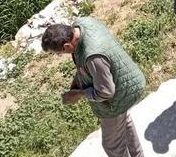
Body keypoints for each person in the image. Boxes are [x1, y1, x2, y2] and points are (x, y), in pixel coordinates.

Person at [42, 18, 146, 157]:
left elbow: (106, 92)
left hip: (117, 97)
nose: (61, 55)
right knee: (123, 125)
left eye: (59, 53)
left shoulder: (93, 56)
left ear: (67, 46)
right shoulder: (83, 23)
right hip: (126, 78)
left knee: (112, 144)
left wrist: (78, 94)